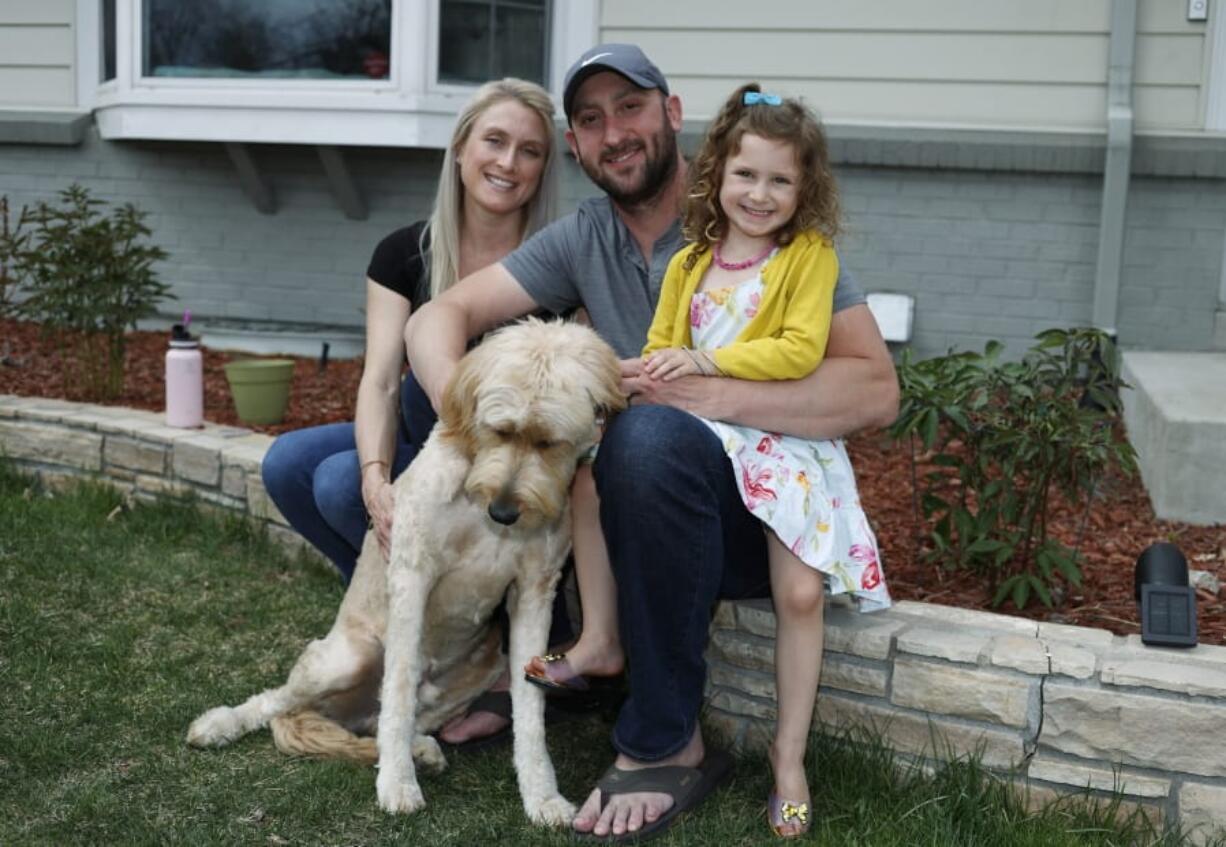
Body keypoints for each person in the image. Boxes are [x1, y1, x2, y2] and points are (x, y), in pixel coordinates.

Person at [406, 44, 899, 842]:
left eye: (630, 108)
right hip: (644, 504)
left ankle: (670, 739)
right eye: (591, 120)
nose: (615, 133)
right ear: (576, 145)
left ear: (673, 116)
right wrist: (465, 420)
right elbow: (436, 317)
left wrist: (713, 389)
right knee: (465, 405)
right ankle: (483, 659)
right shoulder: (591, 238)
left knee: (646, 439)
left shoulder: (786, 245)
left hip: (752, 507)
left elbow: (877, 390)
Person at [527, 82, 891, 838]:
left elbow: (797, 350)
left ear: (806, 188)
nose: (760, 194)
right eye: (745, 175)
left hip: (784, 450)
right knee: (605, 459)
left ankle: (788, 761)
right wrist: (637, 371)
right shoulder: (691, 261)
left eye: (781, 179)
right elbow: (664, 347)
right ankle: (604, 638)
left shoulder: (810, 259)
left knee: (798, 596)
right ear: (716, 174)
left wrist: (705, 363)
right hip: (711, 448)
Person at [260, 78, 557, 583]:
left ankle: (454, 612)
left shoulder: (554, 263)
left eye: (529, 151)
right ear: (461, 147)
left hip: (505, 462)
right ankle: (383, 599)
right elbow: (379, 381)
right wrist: (376, 480)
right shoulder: (403, 253)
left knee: (335, 483)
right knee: (287, 464)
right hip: (421, 438)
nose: (508, 163)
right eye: (494, 141)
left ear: (542, 169)